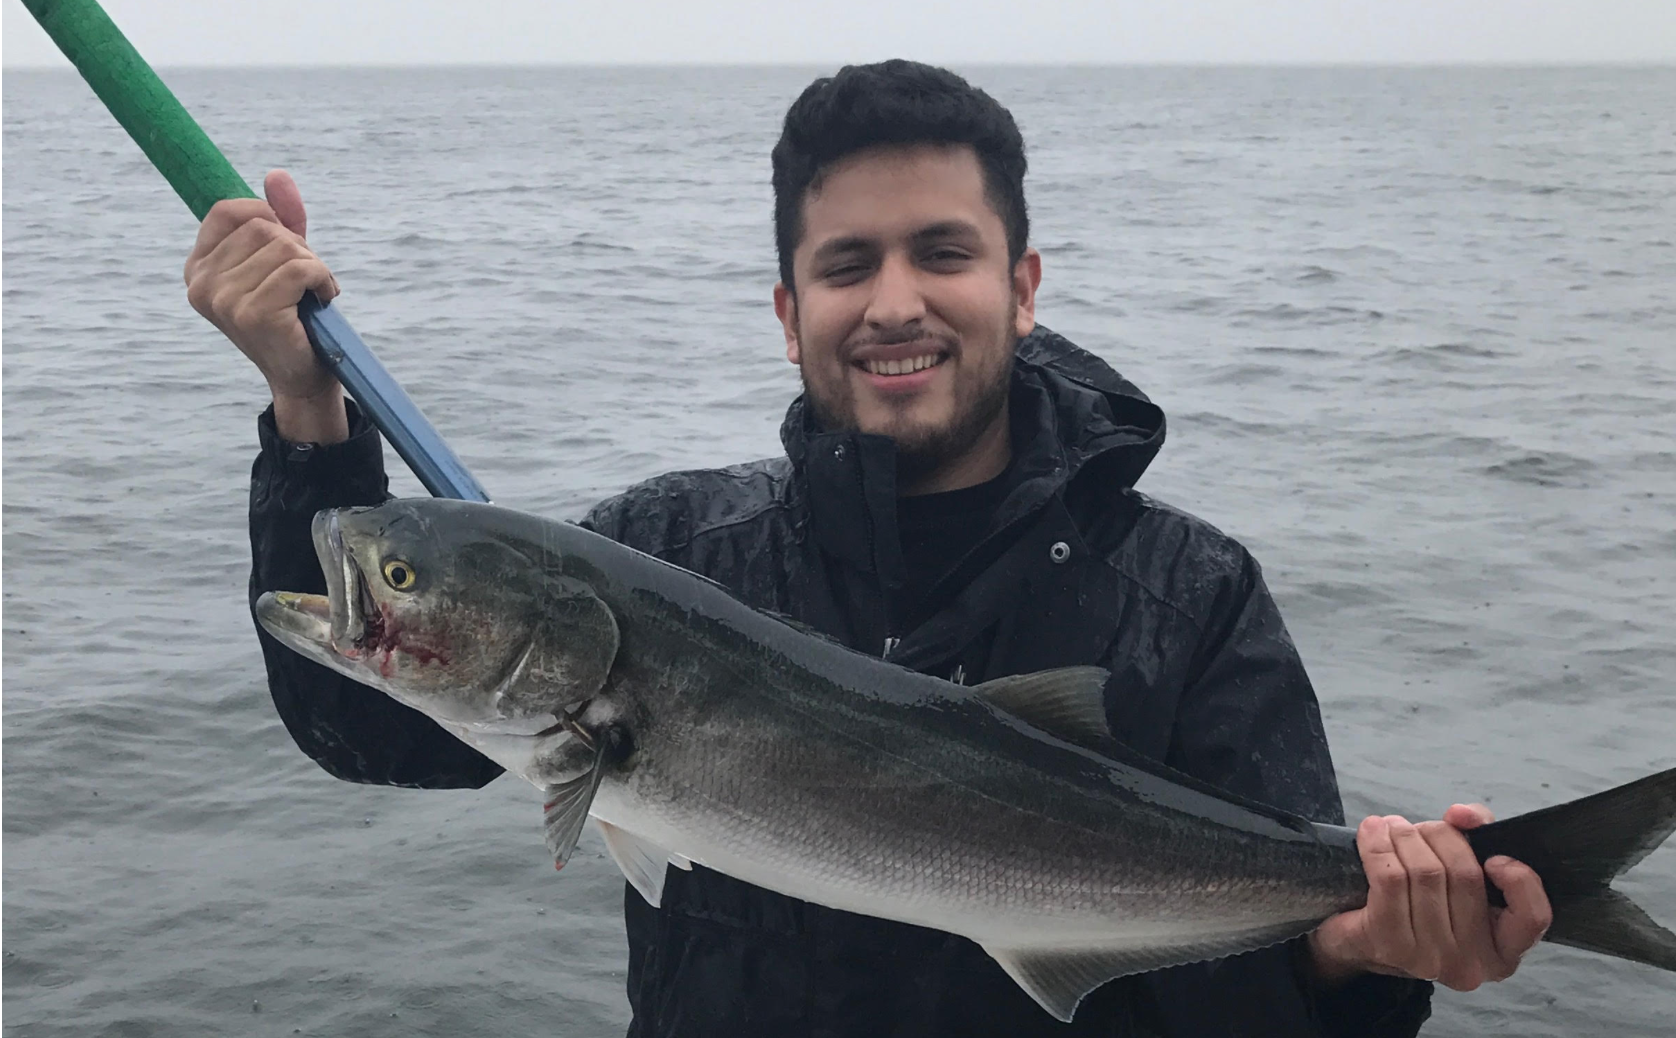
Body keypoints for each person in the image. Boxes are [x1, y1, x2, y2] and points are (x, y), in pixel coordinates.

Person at [185, 60, 1553, 1037]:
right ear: (790, 313)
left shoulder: (1188, 597)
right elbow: (373, 733)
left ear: (1022, 287)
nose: (895, 301)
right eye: (846, 266)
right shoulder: (674, 547)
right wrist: (310, 414)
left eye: (942, 253)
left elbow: (1267, 1003)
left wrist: (1358, 957)